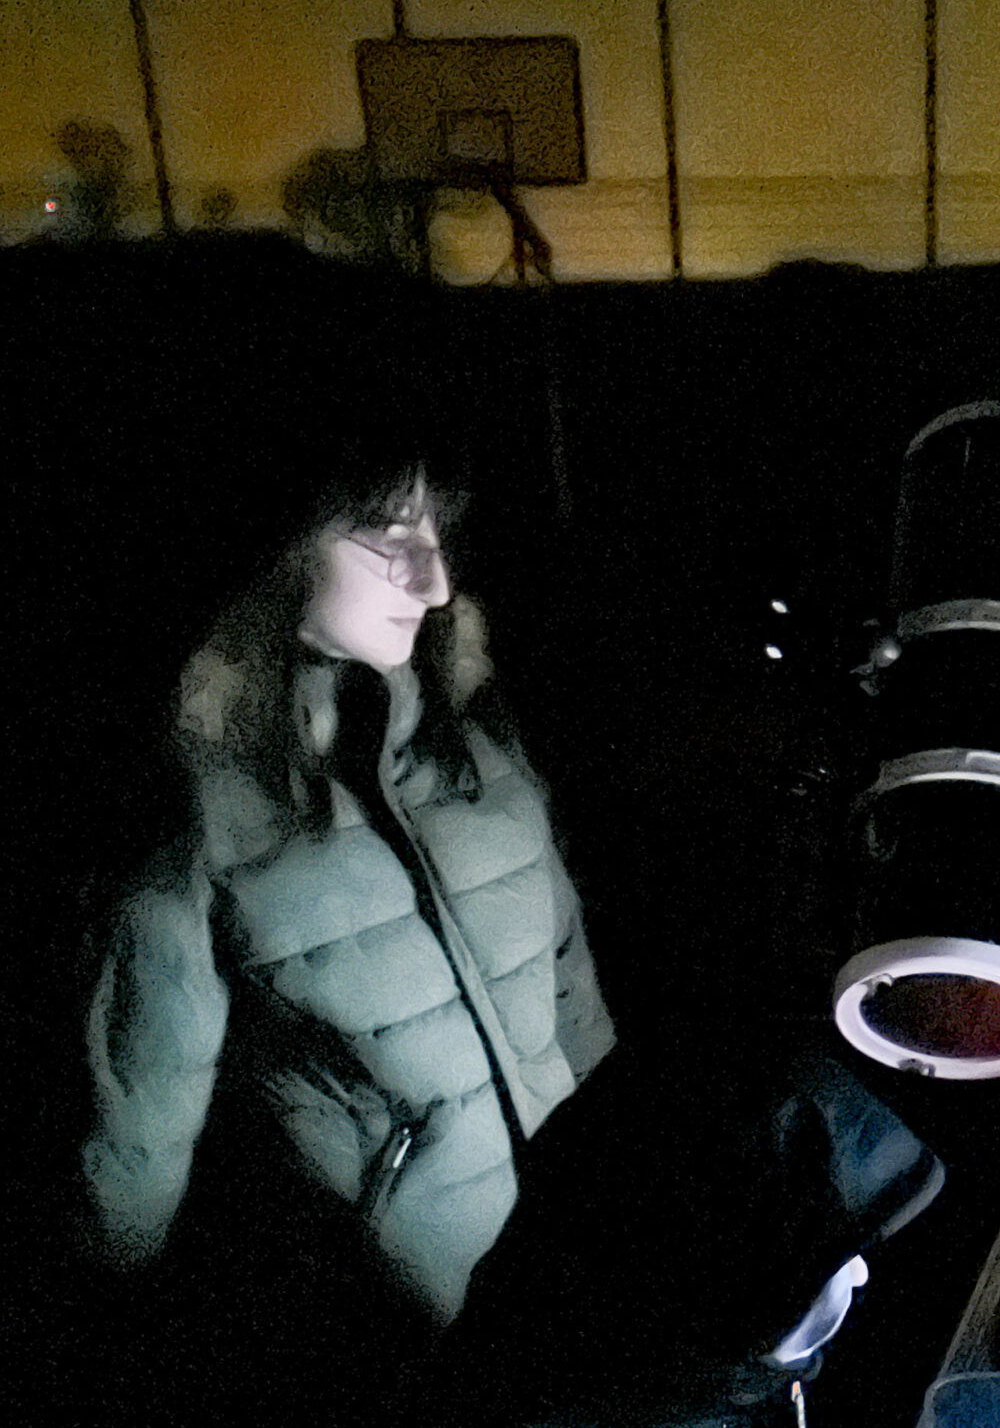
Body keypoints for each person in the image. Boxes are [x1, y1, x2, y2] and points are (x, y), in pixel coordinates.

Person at [79, 458, 612, 1329]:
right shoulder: (197, 814)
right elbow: (135, 1145)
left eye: (436, 532)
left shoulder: (473, 744)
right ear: (282, 539)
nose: (435, 583)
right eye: (389, 536)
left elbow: (573, 1003)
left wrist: (628, 1187)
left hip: (582, 1270)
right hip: (413, 1327)